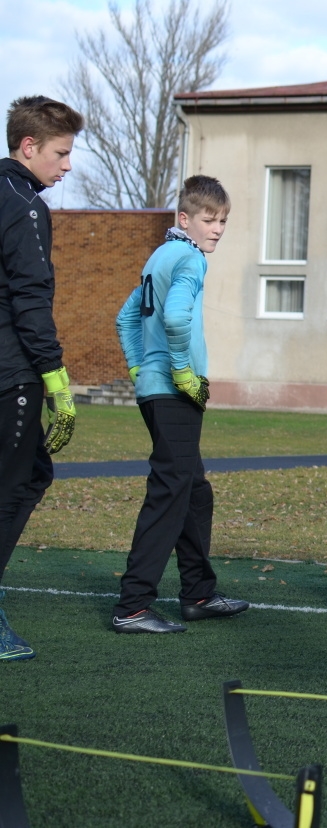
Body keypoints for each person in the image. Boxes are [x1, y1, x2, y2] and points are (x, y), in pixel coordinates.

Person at [112, 175, 249, 634]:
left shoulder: (159, 256)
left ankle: (198, 593)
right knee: (170, 492)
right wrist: (181, 371)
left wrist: (138, 369)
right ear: (184, 219)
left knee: (194, 492)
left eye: (223, 220)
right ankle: (132, 606)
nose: (217, 228)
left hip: (157, 389)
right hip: (175, 391)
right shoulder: (189, 258)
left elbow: (126, 316)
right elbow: (173, 316)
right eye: (209, 219)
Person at [0, 96, 82, 661]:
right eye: (61, 153)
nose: (67, 165)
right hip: (13, 373)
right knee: (16, 487)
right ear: (28, 147)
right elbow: (31, 297)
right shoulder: (24, 203)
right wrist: (55, 378)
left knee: (30, 475)